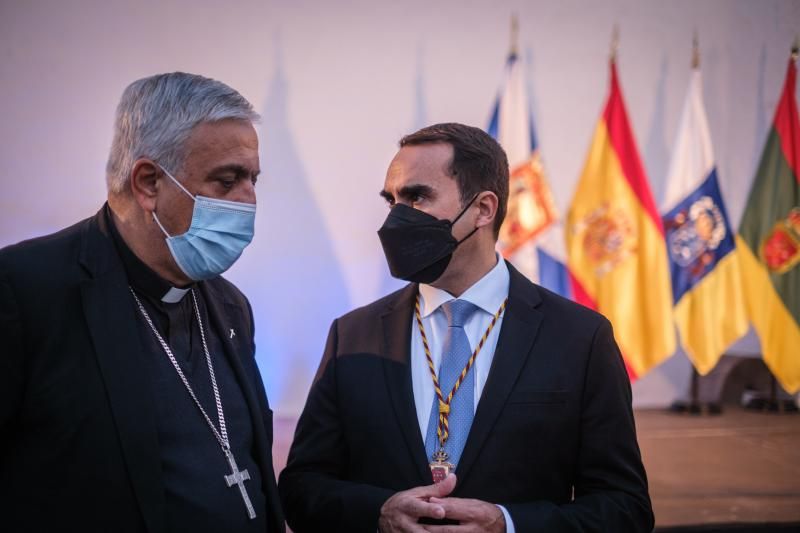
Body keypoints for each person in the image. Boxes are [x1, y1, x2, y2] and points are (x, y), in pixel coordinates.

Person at [279, 123, 654, 532]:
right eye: (392, 200)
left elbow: (625, 508)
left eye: (417, 196)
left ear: (483, 209)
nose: (396, 218)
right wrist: (379, 513)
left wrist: (509, 526)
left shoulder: (580, 338)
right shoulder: (352, 336)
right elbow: (301, 489)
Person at [0, 72, 284, 532]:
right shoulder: (25, 291)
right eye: (228, 180)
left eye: (253, 180)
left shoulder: (231, 306)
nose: (249, 200)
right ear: (149, 182)